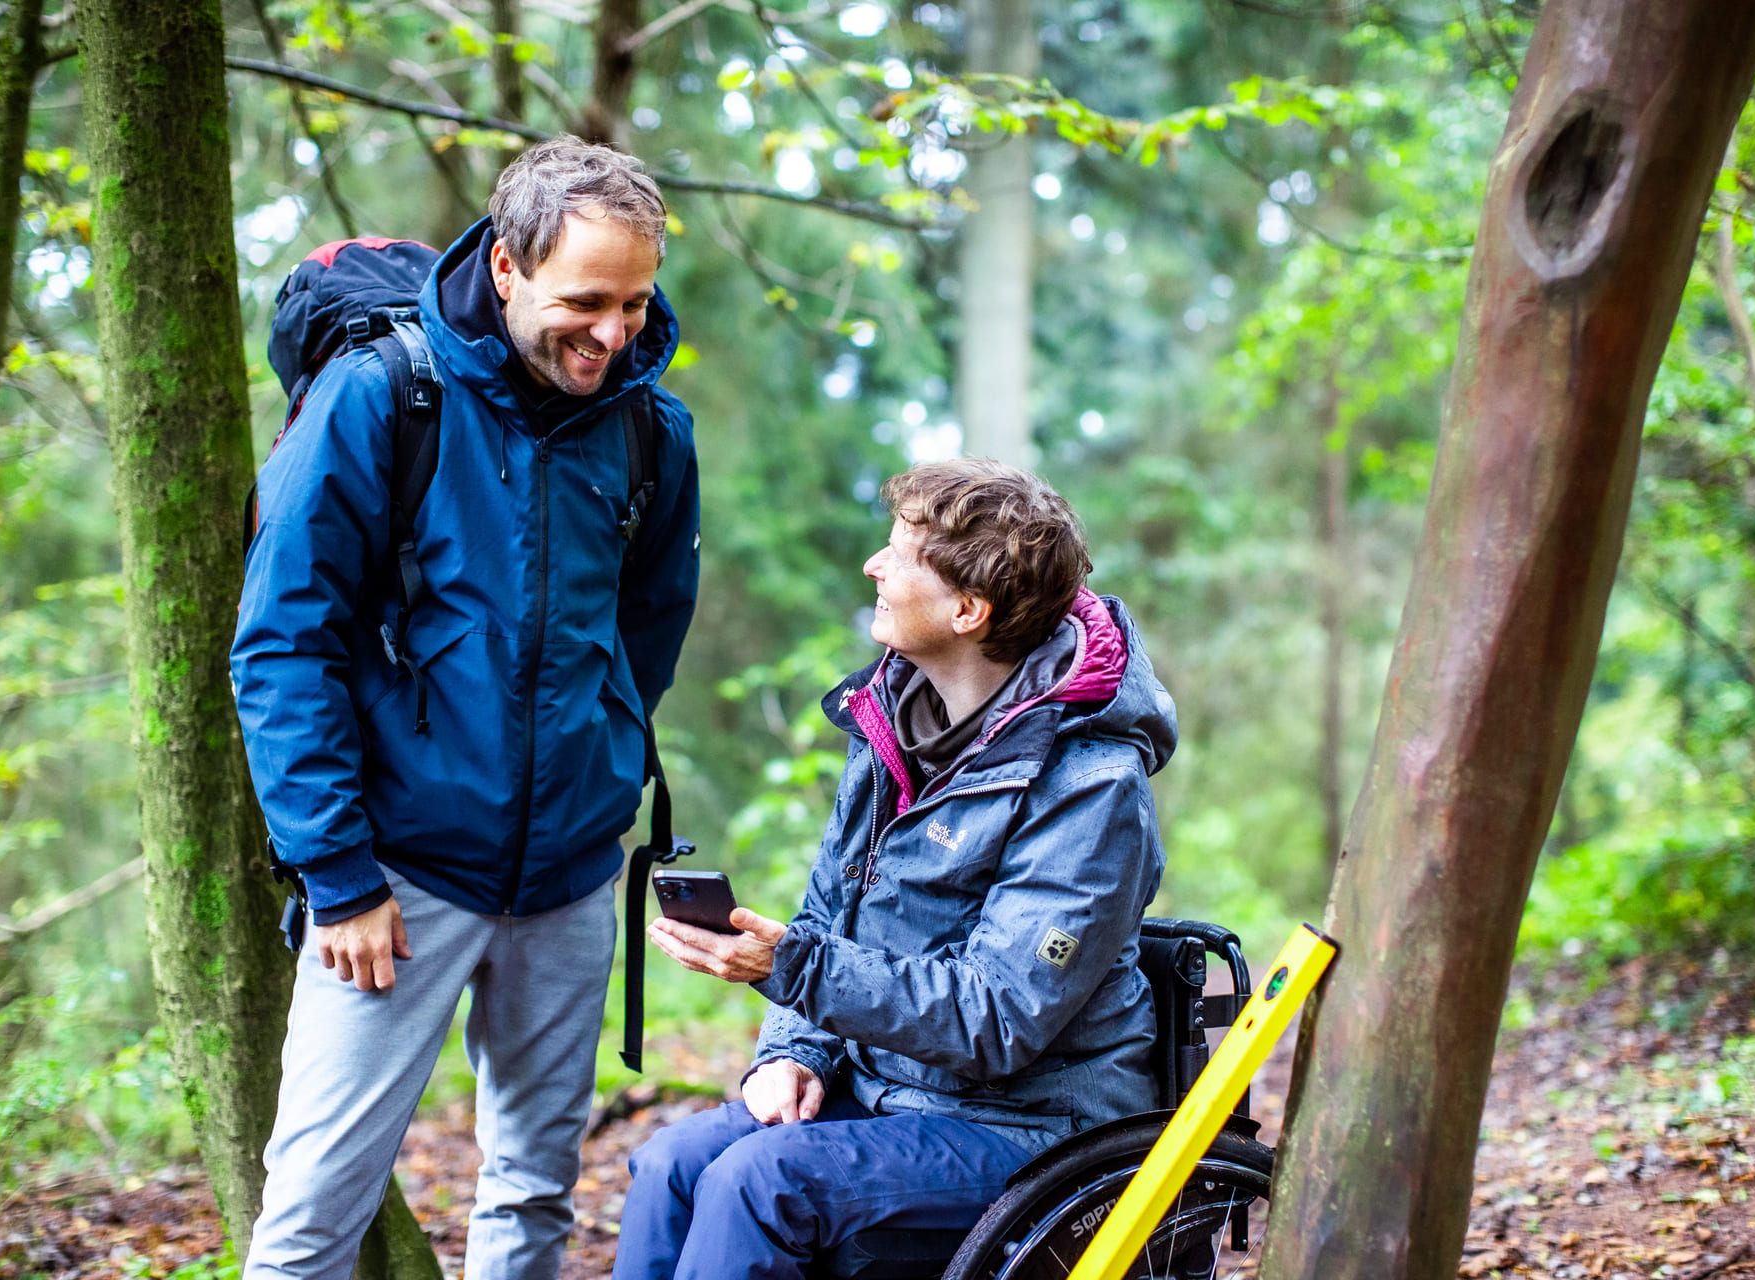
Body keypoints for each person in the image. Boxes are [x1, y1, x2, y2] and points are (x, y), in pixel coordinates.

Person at [231, 137, 699, 1280]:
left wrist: (601, 777)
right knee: (310, 1217)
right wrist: (337, 871)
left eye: (636, 301)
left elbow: (645, 634)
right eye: (586, 300)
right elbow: (284, 645)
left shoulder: (650, 430)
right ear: (506, 267)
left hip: (572, 879)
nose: (614, 332)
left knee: (534, 1196)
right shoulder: (384, 396)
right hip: (392, 881)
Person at [615, 459, 1175, 1280]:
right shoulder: (893, 723)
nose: (874, 566)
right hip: (884, 1090)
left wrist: (791, 970)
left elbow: (998, 1017)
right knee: (673, 1164)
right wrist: (793, 1051)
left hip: (1031, 1128)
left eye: (900, 553)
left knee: (758, 1183)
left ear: (967, 609)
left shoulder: (1092, 787)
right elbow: (826, 912)